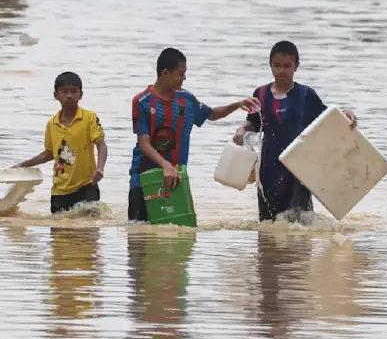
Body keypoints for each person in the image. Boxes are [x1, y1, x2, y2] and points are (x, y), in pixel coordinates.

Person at [128, 48, 259, 223]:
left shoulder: (186, 99)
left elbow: (211, 114)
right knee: (139, 237)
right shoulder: (142, 102)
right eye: (181, 74)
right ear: (165, 73)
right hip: (144, 178)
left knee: (180, 234)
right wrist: (165, 165)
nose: (185, 78)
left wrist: (238, 104)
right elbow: (144, 144)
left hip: (177, 178)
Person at [232, 41, 358, 223]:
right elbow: (254, 123)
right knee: (268, 225)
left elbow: (328, 120)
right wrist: (242, 130)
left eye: (287, 66)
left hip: (299, 170)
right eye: (276, 65)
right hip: (268, 171)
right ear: (270, 65)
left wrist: (346, 113)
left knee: (301, 224)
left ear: (296, 67)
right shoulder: (260, 94)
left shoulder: (306, 95)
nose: (281, 70)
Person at [14, 72, 108, 214]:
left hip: (87, 185)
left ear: (81, 95)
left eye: (74, 92)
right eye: (64, 92)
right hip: (60, 191)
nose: (69, 96)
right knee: (59, 232)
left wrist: (100, 168)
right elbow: (48, 154)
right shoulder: (52, 124)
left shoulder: (89, 118)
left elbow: (101, 145)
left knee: (90, 232)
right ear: (56, 95)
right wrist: (23, 165)